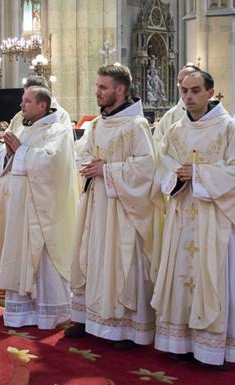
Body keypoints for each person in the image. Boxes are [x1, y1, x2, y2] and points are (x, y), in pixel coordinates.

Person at [152, 70, 235, 368]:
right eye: (184, 91)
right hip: (182, 214)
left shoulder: (229, 128)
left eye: (195, 90)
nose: (188, 96)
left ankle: (214, 347)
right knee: (181, 273)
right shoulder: (175, 130)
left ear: (210, 93)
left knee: (214, 275)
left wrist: (198, 174)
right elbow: (163, 165)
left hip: (215, 217)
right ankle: (181, 342)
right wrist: (177, 176)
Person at [65, 64, 163, 349]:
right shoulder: (97, 123)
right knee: (92, 255)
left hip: (124, 209)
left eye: (103, 87)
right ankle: (88, 317)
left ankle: (126, 328)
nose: (97, 92)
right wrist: (90, 166)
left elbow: (146, 168)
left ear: (120, 90)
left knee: (122, 262)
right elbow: (83, 154)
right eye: (98, 86)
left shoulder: (136, 125)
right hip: (97, 204)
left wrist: (107, 170)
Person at [0, 86, 77, 328]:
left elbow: (53, 163)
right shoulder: (22, 128)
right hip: (18, 208)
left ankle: (49, 313)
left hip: (42, 210)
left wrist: (20, 150)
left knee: (43, 258)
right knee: (18, 252)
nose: (21, 105)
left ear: (42, 105)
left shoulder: (58, 131)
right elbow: (4, 159)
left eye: (27, 101)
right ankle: (21, 313)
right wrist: (8, 154)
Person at [6, 76, 72, 135]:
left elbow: (65, 143)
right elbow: (8, 136)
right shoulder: (19, 116)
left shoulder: (62, 115)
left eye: (28, 99)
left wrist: (19, 145)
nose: (21, 104)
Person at [152, 64, 201, 143]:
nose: (183, 86)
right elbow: (156, 144)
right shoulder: (170, 117)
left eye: (187, 80)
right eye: (180, 82)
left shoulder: (214, 114)